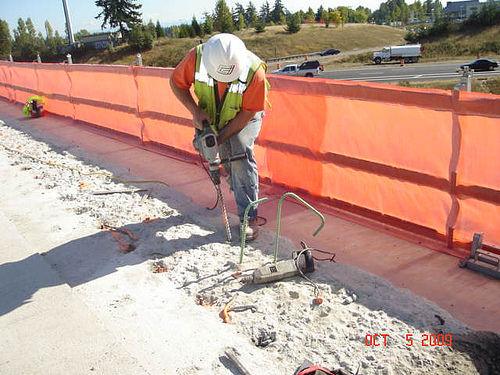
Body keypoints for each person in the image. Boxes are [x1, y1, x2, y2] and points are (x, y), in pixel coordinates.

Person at [170, 33, 269, 241]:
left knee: (239, 154)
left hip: (244, 115)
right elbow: (176, 83)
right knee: (215, 152)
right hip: (210, 116)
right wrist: (195, 111)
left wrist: (220, 139)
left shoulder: (254, 72)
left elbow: (247, 112)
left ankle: (248, 218)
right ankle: (235, 183)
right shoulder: (196, 58)